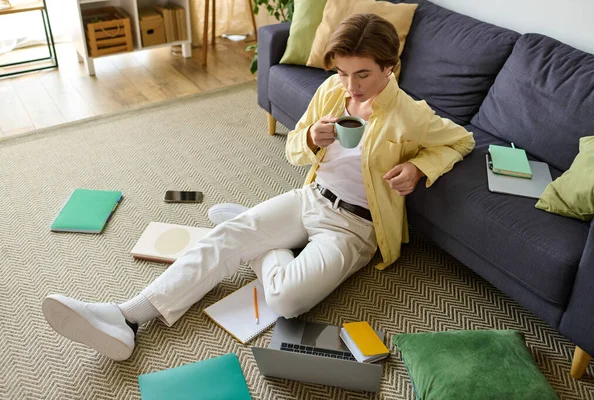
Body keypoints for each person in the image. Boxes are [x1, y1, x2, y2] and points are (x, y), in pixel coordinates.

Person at [42, 13, 475, 361]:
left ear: (390, 67)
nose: (350, 86)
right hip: (309, 198)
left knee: (285, 299)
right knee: (220, 240)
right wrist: (309, 139)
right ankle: (125, 316)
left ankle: (261, 242)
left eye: (361, 74)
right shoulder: (330, 92)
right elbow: (293, 149)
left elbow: (461, 140)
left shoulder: (411, 114)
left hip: (354, 228)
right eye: (342, 72)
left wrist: (419, 167)